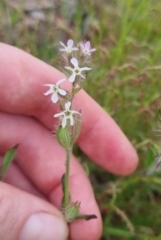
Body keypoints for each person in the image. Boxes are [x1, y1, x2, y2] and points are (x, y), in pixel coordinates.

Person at [0, 43, 138, 240]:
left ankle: (64, 217)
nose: (75, 70)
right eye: (74, 68)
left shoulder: (72, 90)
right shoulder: (65, 92)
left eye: (76, 68)